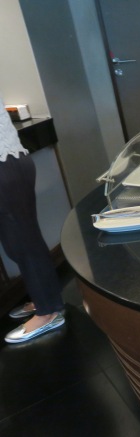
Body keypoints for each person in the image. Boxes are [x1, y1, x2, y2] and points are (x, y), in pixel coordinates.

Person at [0, 94, 65, 343]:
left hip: (6, 167)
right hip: (10, 164)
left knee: (23, 244)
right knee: (22, 244)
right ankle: (46, 301)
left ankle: (47, 312)